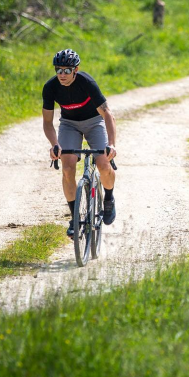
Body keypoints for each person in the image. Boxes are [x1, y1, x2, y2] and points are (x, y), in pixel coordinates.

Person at [42, 48, 117, 236]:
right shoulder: (50, 87)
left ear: (76, 70)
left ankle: (108, 199)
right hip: (69, 124)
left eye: (67, 70)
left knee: (103, 164)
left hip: (94, 122)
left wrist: (112, 144)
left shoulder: (87, 82)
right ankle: (75, 218)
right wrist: (54, 144)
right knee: (67, 169)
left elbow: (108, 114)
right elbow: (47, 122)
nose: (62, 74)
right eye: (58, 70)